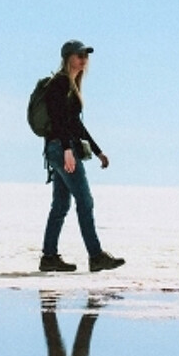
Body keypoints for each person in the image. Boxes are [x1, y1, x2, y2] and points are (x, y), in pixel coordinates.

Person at [40, 40, 124, 273]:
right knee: (84, 202)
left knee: (60, 205)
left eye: (86, 55)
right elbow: (58, 120)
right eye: (79, 55)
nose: (84, 59)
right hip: (61, 149)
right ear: (68, 57)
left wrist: (98, 151)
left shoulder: (72, 84)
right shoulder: (59, 83)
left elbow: (76, 124)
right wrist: (67, 150)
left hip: (60, 149)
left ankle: (49, 257)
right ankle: (96, 256)